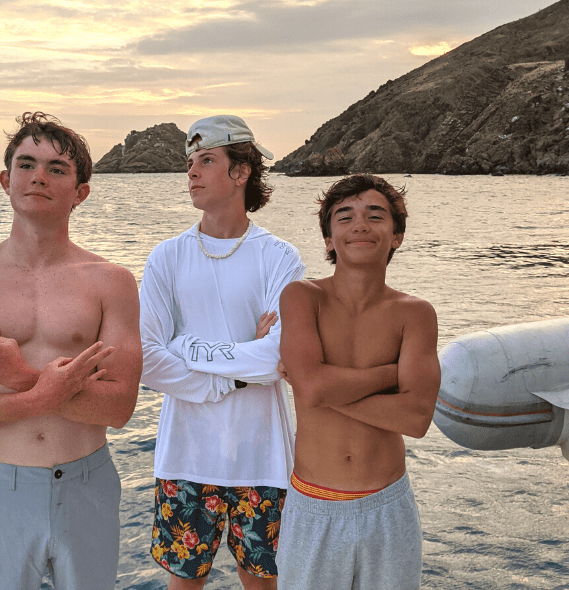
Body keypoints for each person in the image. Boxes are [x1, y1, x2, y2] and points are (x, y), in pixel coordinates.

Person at [0, 112, 142, 590]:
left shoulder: (112, 283)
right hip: (1, 486)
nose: (38, 176)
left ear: (80, 191)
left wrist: (18, 375)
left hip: (88, 484)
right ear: (6, 180)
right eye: (26, 164)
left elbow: (121, 406)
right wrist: (40, 394)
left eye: (57, 169)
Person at [140, 115, 305, 590]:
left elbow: (278, 357)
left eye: (206, 160)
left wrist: (185, 346)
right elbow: (147, 358)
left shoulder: (279, 257)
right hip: (185, 456)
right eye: (191, 162)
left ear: (241, 172)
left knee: (262, 583)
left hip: (264, 456)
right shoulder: (166, 258)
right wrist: (234, 371)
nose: (191, 172)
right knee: (184, 584)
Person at [275, 173, 441, 589]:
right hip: (314, 504)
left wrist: (316, 385)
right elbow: (312, 389)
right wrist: (390, 374)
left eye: (375, 215)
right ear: (330, 239)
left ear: (397, 236)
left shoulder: (415, 313)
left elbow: (416, 418)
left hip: (387, 505)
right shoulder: (301, 297)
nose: (360, 225)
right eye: (344, 216)